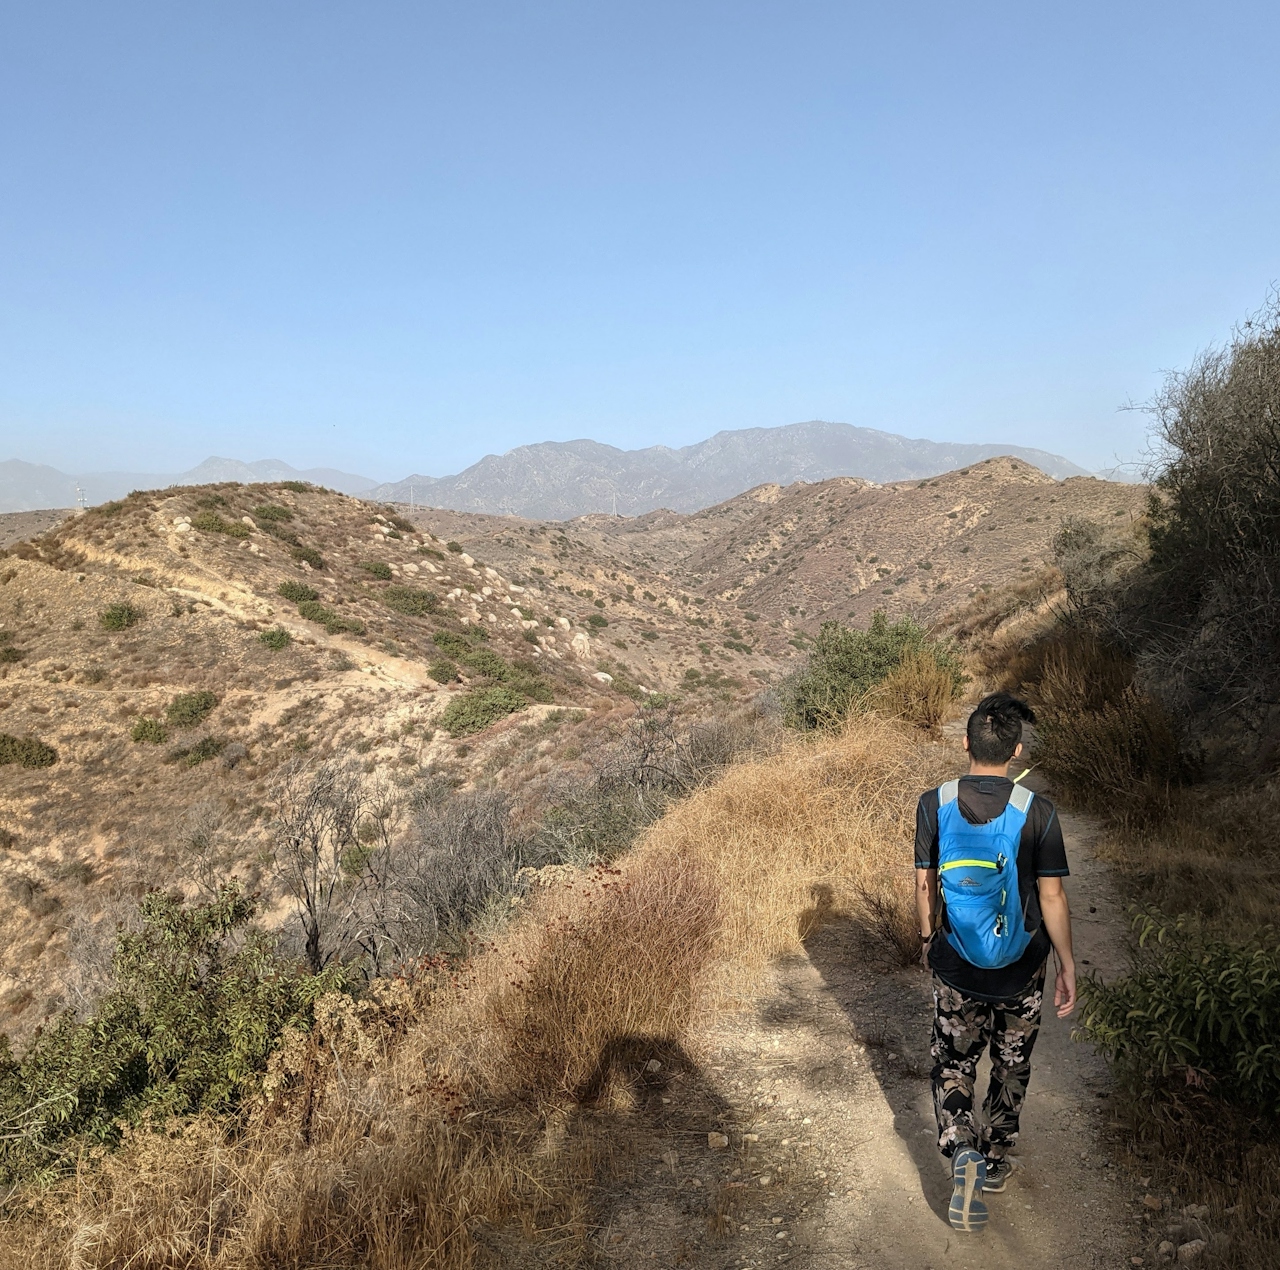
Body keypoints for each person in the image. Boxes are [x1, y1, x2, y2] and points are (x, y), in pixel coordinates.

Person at [914, 692, 1076, 1233]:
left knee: (954, 1059)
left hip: (955, 964)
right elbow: (1051, 898)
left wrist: (925, 939)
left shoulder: (932, 802)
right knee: (1011, 1064)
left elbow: (922, 883)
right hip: (1021, 969)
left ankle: (961, 1149)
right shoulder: (1039, 813)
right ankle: (995, 1156)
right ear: (1017, 749)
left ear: (965, 744)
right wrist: (1067, 963)